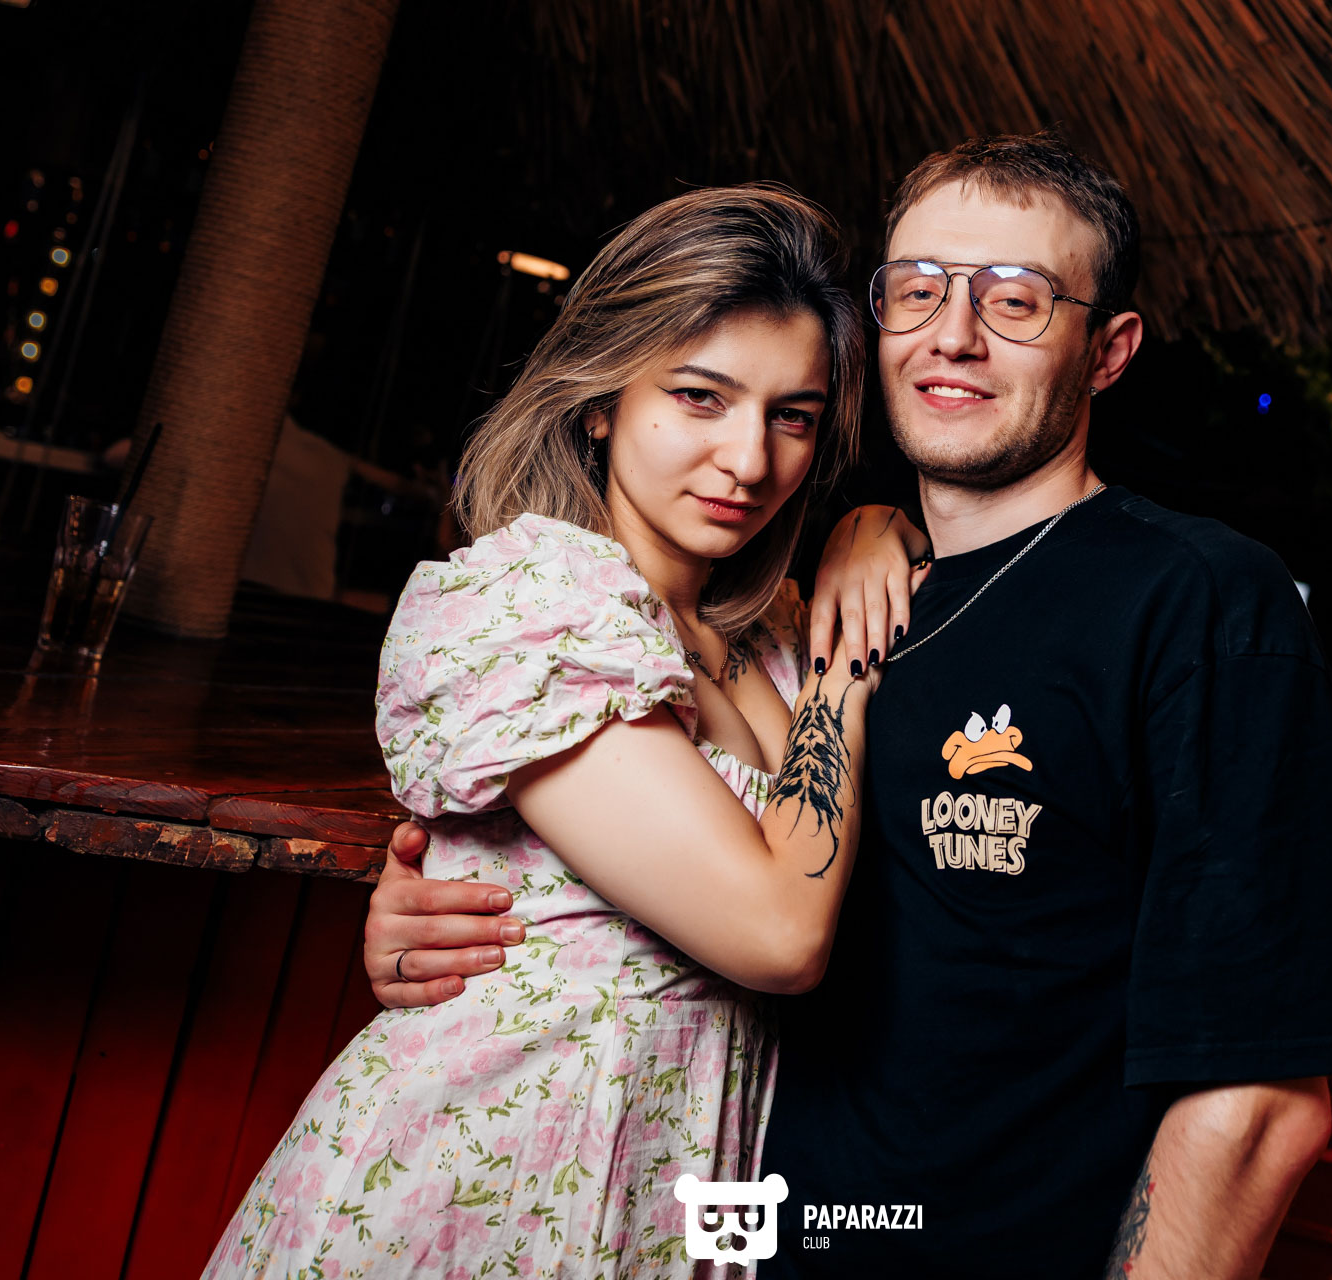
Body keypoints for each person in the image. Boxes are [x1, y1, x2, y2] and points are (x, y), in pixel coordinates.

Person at [368, 132, 1332, 1278]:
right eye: (921, 287)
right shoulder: (815, 624)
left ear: (1108, 350)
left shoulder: (1197, 599)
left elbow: (1260, 1103)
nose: (955, 333)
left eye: (1017, 298)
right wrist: (459, 893)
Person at [204, 185, 912, 1279]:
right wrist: (843, 670)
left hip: (680, 1187)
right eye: (700, 396)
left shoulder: (768, 630)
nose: (748, 459)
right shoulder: (534, 604)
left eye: (793, 416)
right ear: (601, 400)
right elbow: (780, 933)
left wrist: (876, 523)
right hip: (488, 1181)